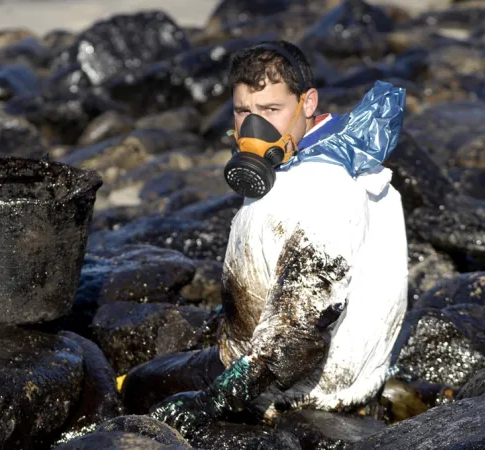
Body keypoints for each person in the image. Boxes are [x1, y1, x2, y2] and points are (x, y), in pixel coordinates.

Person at [148, 40, 409, 435]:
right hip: (281, 371)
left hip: (300, 394)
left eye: (271, 110)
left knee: (142, 394)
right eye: (243, 112)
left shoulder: (326, 187)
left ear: (307, 103)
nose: (255, 128)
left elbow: (299, 333)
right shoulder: (315, 157)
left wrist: (214, 401)